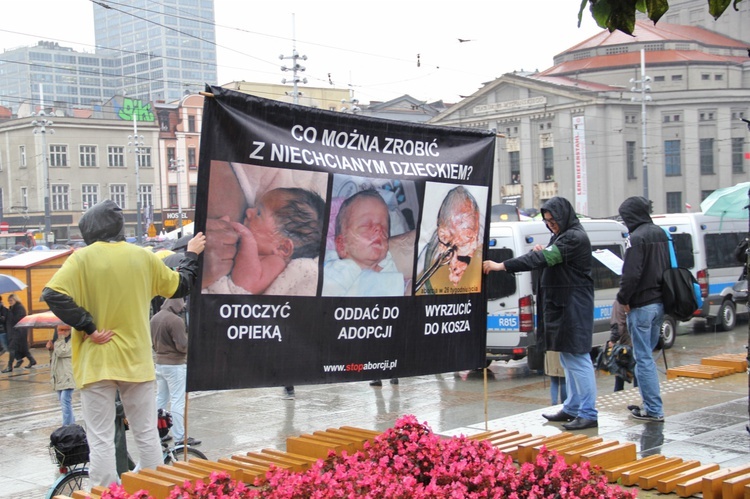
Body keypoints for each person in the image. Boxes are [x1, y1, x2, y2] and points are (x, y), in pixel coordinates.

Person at [41, 199, 206, 487]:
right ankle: (155, 490)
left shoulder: (82, 258)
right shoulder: (142, 257)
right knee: (145, 433)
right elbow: (181, 285)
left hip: (95, 363)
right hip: (136, 361)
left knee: (101, 438)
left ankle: (106, 493)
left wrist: (89, 327)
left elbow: (53, 294)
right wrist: (191, 254)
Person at [483, 196, 597, 430]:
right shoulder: (563, 235)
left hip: (573, 307)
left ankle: (588, 412)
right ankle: (572, 407)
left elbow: (545, 258)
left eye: (553, 220)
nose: (550, 224)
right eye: (546, 221)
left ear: (563, 216)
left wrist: (501, 265)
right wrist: (545, 250)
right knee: (568, 358)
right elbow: (551, 256)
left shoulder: (574, 237)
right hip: (565, 305)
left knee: (578, 358)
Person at [206, 187, 325, 295]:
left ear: (283, 248)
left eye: (258, 213)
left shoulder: (276, 263)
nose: (248, 211)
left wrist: (247, 239)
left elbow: (247, 284)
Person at [616, 196, 670, 422]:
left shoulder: (636, 238)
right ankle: (649, 403)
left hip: (641, 304)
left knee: (643, 358)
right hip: (659, 302)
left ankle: (654, 410)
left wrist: (623, 297)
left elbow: (631, 273)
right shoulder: (660, 233)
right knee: (646, 356)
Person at [322, 189, 405, 296]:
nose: (379, 229)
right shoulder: (337, 271)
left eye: (384, 227)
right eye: (366, 225)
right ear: (342, 245)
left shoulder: (388, 264)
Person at [151, 297, 200, 446]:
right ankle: (180, 437)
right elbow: (182, 346)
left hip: (159, 363)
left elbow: (153, 344)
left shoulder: (154, 318)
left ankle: (156, 433)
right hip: (175, 364)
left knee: (160, 399)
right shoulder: (175, 320)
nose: (183, 306)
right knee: (178, 401)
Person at [416, 186, 482, 294]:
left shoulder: (476, 263)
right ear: (444, 236)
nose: (475, 246)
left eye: (476, 236)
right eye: (469, 236)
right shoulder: (421, 272)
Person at [46, 324, 76, 426]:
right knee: (64, 403)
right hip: (58, 377)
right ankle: (71, 424)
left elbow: (62, 352)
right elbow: (55, 358)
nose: (61, 332)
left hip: (68, 376)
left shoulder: (72, 341)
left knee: (65, 401)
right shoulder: (59, 342)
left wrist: (59, 341)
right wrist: (51, 349)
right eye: (59, 330)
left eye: (64, 330)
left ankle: (66, 426)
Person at [609, 299, 638, 392]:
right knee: (640, 375)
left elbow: (618, 324)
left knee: (619, 378)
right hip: (641, 343)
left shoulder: (621, 300)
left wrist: (613, 340)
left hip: (626, 345)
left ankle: (618, 398)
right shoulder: (642, 294)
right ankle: (642, 399)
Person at [2, 293, 35, 372]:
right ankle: (32, 360)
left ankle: (10, 366)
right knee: (23, 348)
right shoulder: (12, 308)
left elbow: (17, 319)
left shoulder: (19, 308)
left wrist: (10, 311)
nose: (10, 302)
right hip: (15, 331)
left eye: (11, 300)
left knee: (12, 348)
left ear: (15, 299)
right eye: (8, 301)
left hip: (18, 331)